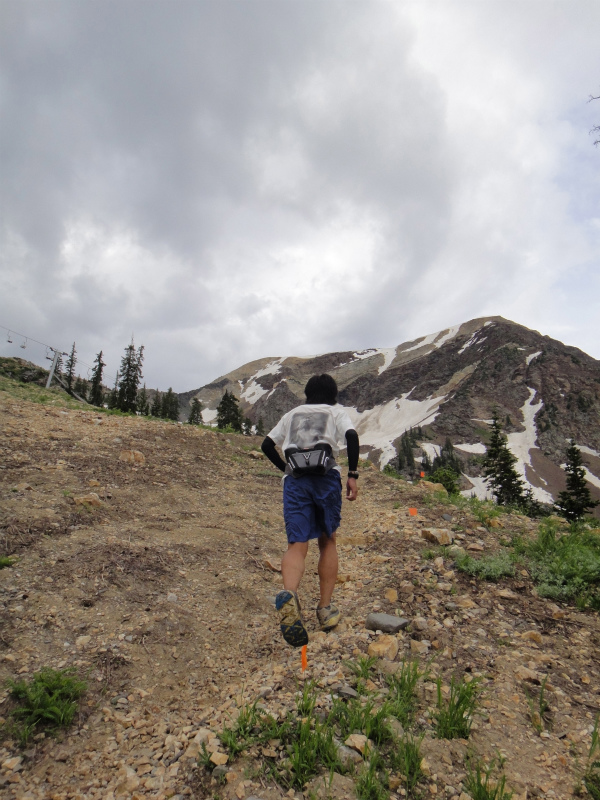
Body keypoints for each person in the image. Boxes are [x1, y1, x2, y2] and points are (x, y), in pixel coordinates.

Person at [261, 374, 360, 647]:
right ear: (333, 394)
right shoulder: (336, 412)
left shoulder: (292, 414)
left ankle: (290, 594)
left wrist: (286, 470)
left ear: (307, 393)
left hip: (295, 482)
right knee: (328, 540)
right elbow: (351, 436)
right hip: (326, 478)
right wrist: (352, 473)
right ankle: (325, 609)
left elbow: (266, 445)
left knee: (297, 543)